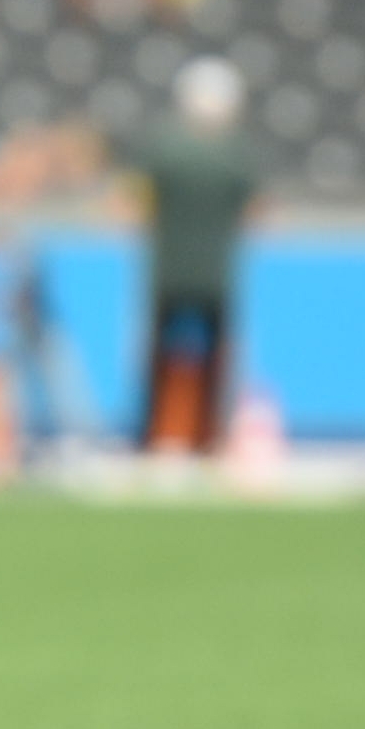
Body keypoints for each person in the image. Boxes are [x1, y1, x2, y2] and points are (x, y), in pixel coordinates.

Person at [129, 57, 259, 453]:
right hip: (215, 275)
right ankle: (210, 438)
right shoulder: (237, 153)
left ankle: (151, 437)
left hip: (166, 272)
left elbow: (135, 205)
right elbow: (255, 213)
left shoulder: (164, 148)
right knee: (216, 359)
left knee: (156, 357)